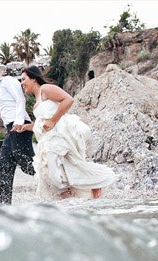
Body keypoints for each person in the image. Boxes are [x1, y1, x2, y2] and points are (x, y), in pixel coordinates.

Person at [13, 66, 116, 200]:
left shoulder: (45, 89)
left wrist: (53, 121)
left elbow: (68, 100)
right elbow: (42, 125)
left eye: (24, 79)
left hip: (60, 136)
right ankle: (71, 195)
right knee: (55, 174)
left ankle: (94, 182)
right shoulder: (36, 103)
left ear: (33, 78)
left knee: (56, 176)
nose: (22, 83)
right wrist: (25, 127)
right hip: (49, 139)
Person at [0, 63, 35, 205]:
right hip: (10, 128)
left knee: (25, 161)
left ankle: (54, 179)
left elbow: (20, 99)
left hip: (19, 125)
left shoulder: (8, 81)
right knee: (4, 164)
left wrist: (18, 122)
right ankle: (1, 205)